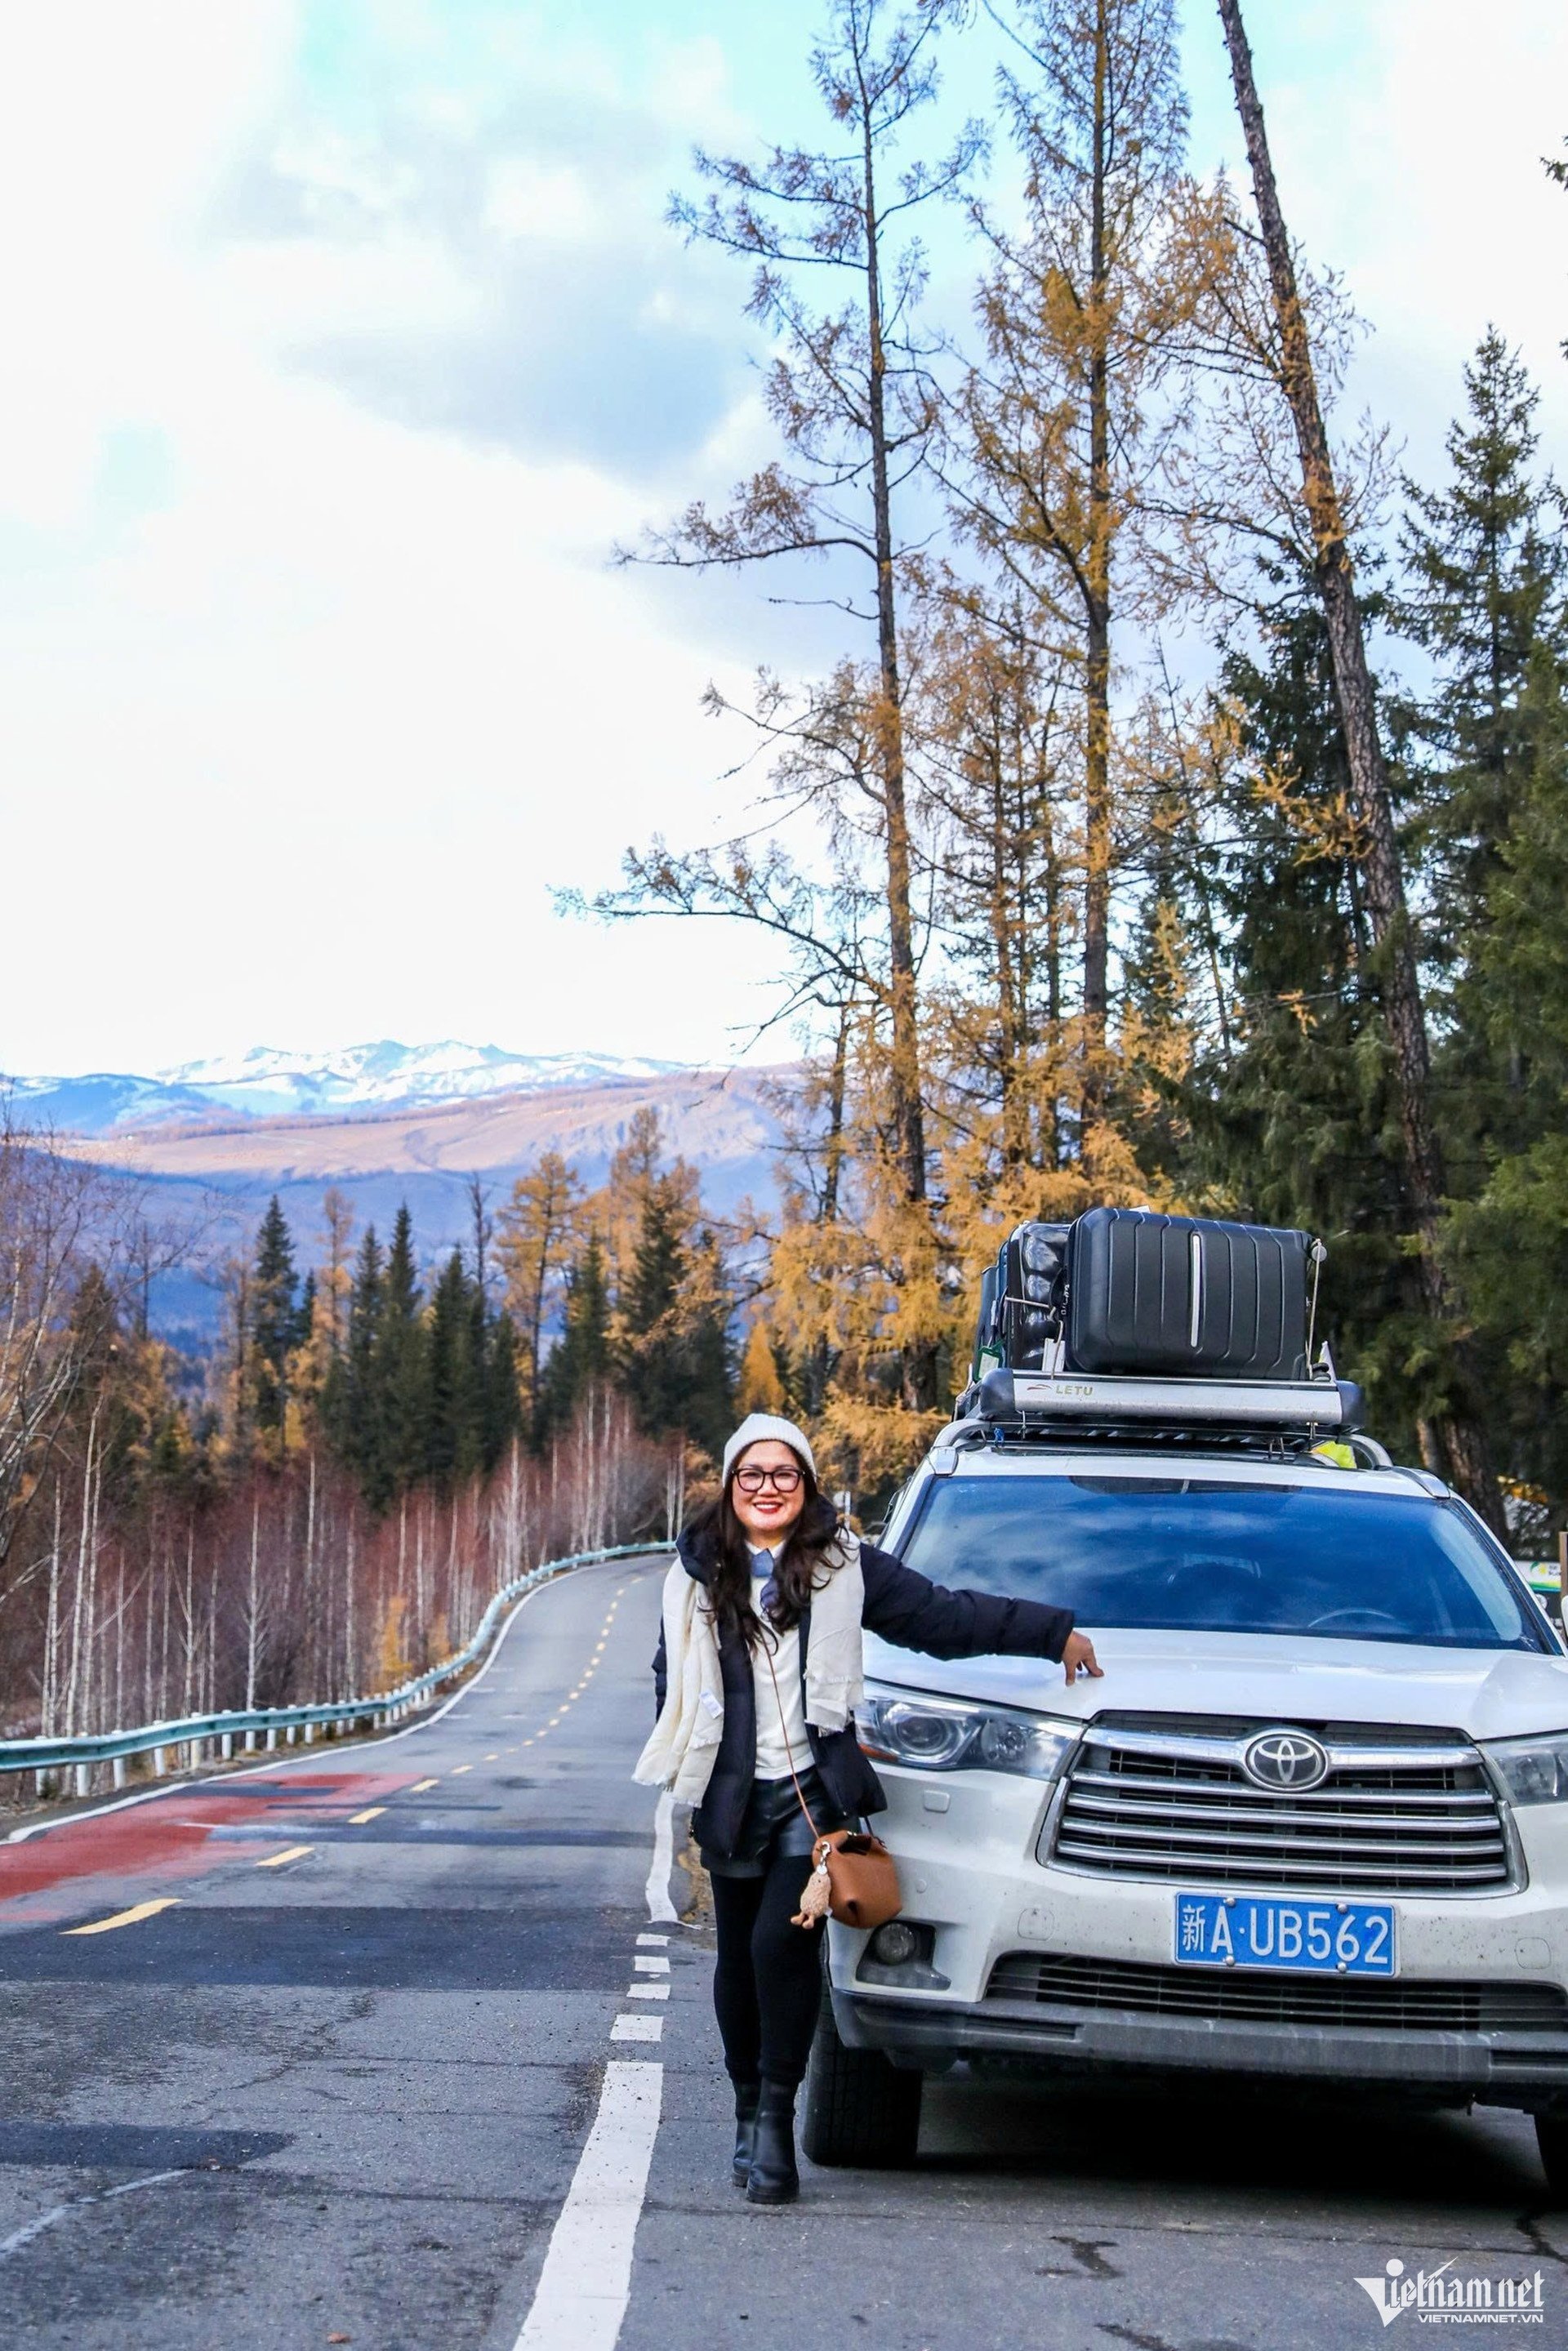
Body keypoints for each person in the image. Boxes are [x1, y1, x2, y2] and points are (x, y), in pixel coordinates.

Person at [635, 1411, 1102, 2206]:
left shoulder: (843, 1566)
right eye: (753, 1473)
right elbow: (665, 1674)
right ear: (730, 1483)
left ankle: (778, 2118)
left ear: (806, 1483)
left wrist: (1050, 1631)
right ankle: (746, 2106)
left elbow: (943, 1618)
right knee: (738, 1961)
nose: (768, 1487)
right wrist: (686, 1761)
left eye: (785, 1473)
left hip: (813, 1795)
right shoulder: (693, 1572)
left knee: (781, 1949)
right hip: (728, 1792)